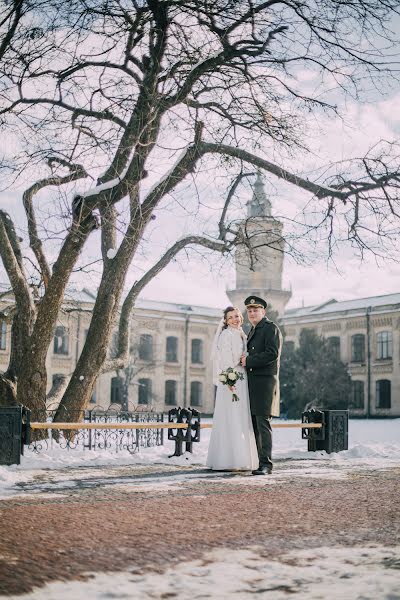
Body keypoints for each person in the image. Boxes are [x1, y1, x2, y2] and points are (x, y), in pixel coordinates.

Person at [206, 306, 259, 471]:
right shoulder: (226, 335)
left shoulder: (242, 333)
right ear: (226, 321)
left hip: (242, 379)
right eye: (231, 318)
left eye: (236, 316)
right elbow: (226, 360)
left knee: (241, 417)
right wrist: (245, 358)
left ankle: (241, 457)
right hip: (232, 381)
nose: (235, 319)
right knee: (231, 417)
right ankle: (229, 459)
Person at [240, 296, 282, 475]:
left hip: (265, 383)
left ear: (263, 312)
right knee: (256, 425)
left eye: (255, 310)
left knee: (263, 424)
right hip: (253, 383)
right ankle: (259, 462)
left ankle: (266, 464)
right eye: (249, 311)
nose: (252, 313)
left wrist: (248, 360)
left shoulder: (270, 328)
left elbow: (272, 354)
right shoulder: (253, 330)